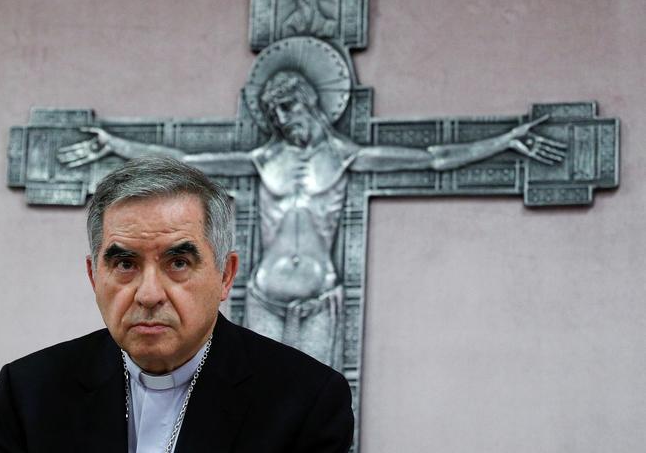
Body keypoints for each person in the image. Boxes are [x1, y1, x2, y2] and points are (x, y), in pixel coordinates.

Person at [56, 70, 565, 368]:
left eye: (290, 112)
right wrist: (117, 145)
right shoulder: (263, 159)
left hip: (320, 296)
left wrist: (505, 141)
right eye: (276, 115)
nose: (284, 122)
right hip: (263, 295)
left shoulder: (344, 156)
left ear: (310, 105)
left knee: (313, 396)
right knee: (248, 400)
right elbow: (185, 162)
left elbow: (431, 158)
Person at [0, 156, 354, 452]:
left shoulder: (306, 401)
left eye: (178, 263)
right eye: (125, 264)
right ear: (94, 276)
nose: (149, 294)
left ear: (225, 275)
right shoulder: (28, 391)